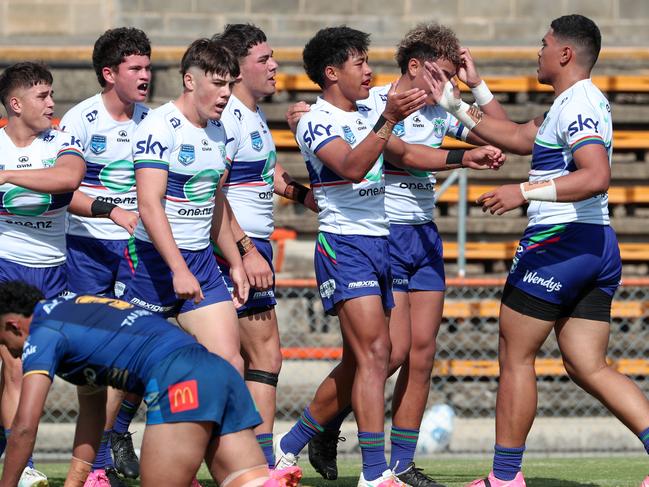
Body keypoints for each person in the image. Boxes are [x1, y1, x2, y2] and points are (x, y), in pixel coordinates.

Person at [273, 26, 504, 487]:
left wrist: (466, 156)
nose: (368, 68)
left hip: (396, 238)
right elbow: (362, 162)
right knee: (382, 354)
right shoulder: (354, 110)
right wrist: (386, 118)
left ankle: (379, 463)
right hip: (356, 239)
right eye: (359, 62)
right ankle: (347, 456)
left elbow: (411, 151)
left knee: (406, 356)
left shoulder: (392, 110)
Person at [426, 14, 649, 487]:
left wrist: (523, 192)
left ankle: (504, 477)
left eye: (544, 44)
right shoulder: (569, 102)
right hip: (593, 246)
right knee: (587, 364)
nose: (538, 51)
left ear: (565, 54)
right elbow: (520, 138)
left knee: (515, 355)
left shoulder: (581, 103)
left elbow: (594, 177)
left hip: (560, 245)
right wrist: (462, 100)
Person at [0, 281, 302, 487]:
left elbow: (24, 427)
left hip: (179, 381)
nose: (8, 351)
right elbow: (93, 411)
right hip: (216, 372)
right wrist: (74, 481)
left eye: (3, 341)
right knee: (250, 483)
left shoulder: (42, 334)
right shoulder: (73, 310)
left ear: (13, 324)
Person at [213, 23, 317, 469]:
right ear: (237, 70)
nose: (275, 66)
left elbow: (267, 176)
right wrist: (245, 250)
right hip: (233, 251)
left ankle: (254, 462)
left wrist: (308, 198)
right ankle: (254, 464)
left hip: (249, 247)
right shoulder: (228, 117)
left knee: (254, 357)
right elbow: (212, 190)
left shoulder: (251, 114)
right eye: (264, 60)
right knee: (255, 357)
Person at [114, 38, 249, 373]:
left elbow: (214, 198)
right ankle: (111, 429)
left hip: (201, 259)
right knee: (123, 371)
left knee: (230, 362)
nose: (226, 94)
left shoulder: (219, 130)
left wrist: (235, 261)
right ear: (190, 81)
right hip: (153, 260)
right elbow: (148, 203)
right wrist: (178, 268)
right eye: (217, 84)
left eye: (230, 85)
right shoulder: (159, 126)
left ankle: (218, 427)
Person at [60, 27, 152, 485]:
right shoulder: (80, 120)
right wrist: (111, 209)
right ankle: (97, 460)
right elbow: (63, 189)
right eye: (135, 68)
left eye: (148, 66)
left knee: (137, 348)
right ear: (108, 73)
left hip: (137, 248)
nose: (145, 75)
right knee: (96, 355)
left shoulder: (152, 121)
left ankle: (116, 435)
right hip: (87, 247)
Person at [0, 61, 98, 487]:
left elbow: (70, 178)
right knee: (16, 369)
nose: (52, 102)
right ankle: (26, 466)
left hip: (54, 270)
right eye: (42, 96)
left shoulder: (62, 140)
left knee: (42, 370)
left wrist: (6, 176)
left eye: (52, 93)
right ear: (16, 103)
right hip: (6, 266)